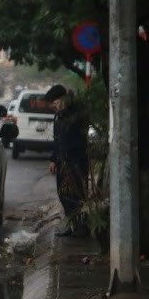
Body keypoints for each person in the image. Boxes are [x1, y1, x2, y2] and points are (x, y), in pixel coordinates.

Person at [45, 84, 89, 236]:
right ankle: (73, 225)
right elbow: (57, 139)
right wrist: (53, 159)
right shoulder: (59, 115)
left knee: (76, 194)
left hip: (76, 160)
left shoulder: (76, 112)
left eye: (55, 103)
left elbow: (81, 136)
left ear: (63, 99)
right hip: (63, 161)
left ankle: (82, 228)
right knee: (64, 195)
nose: (54, 107)